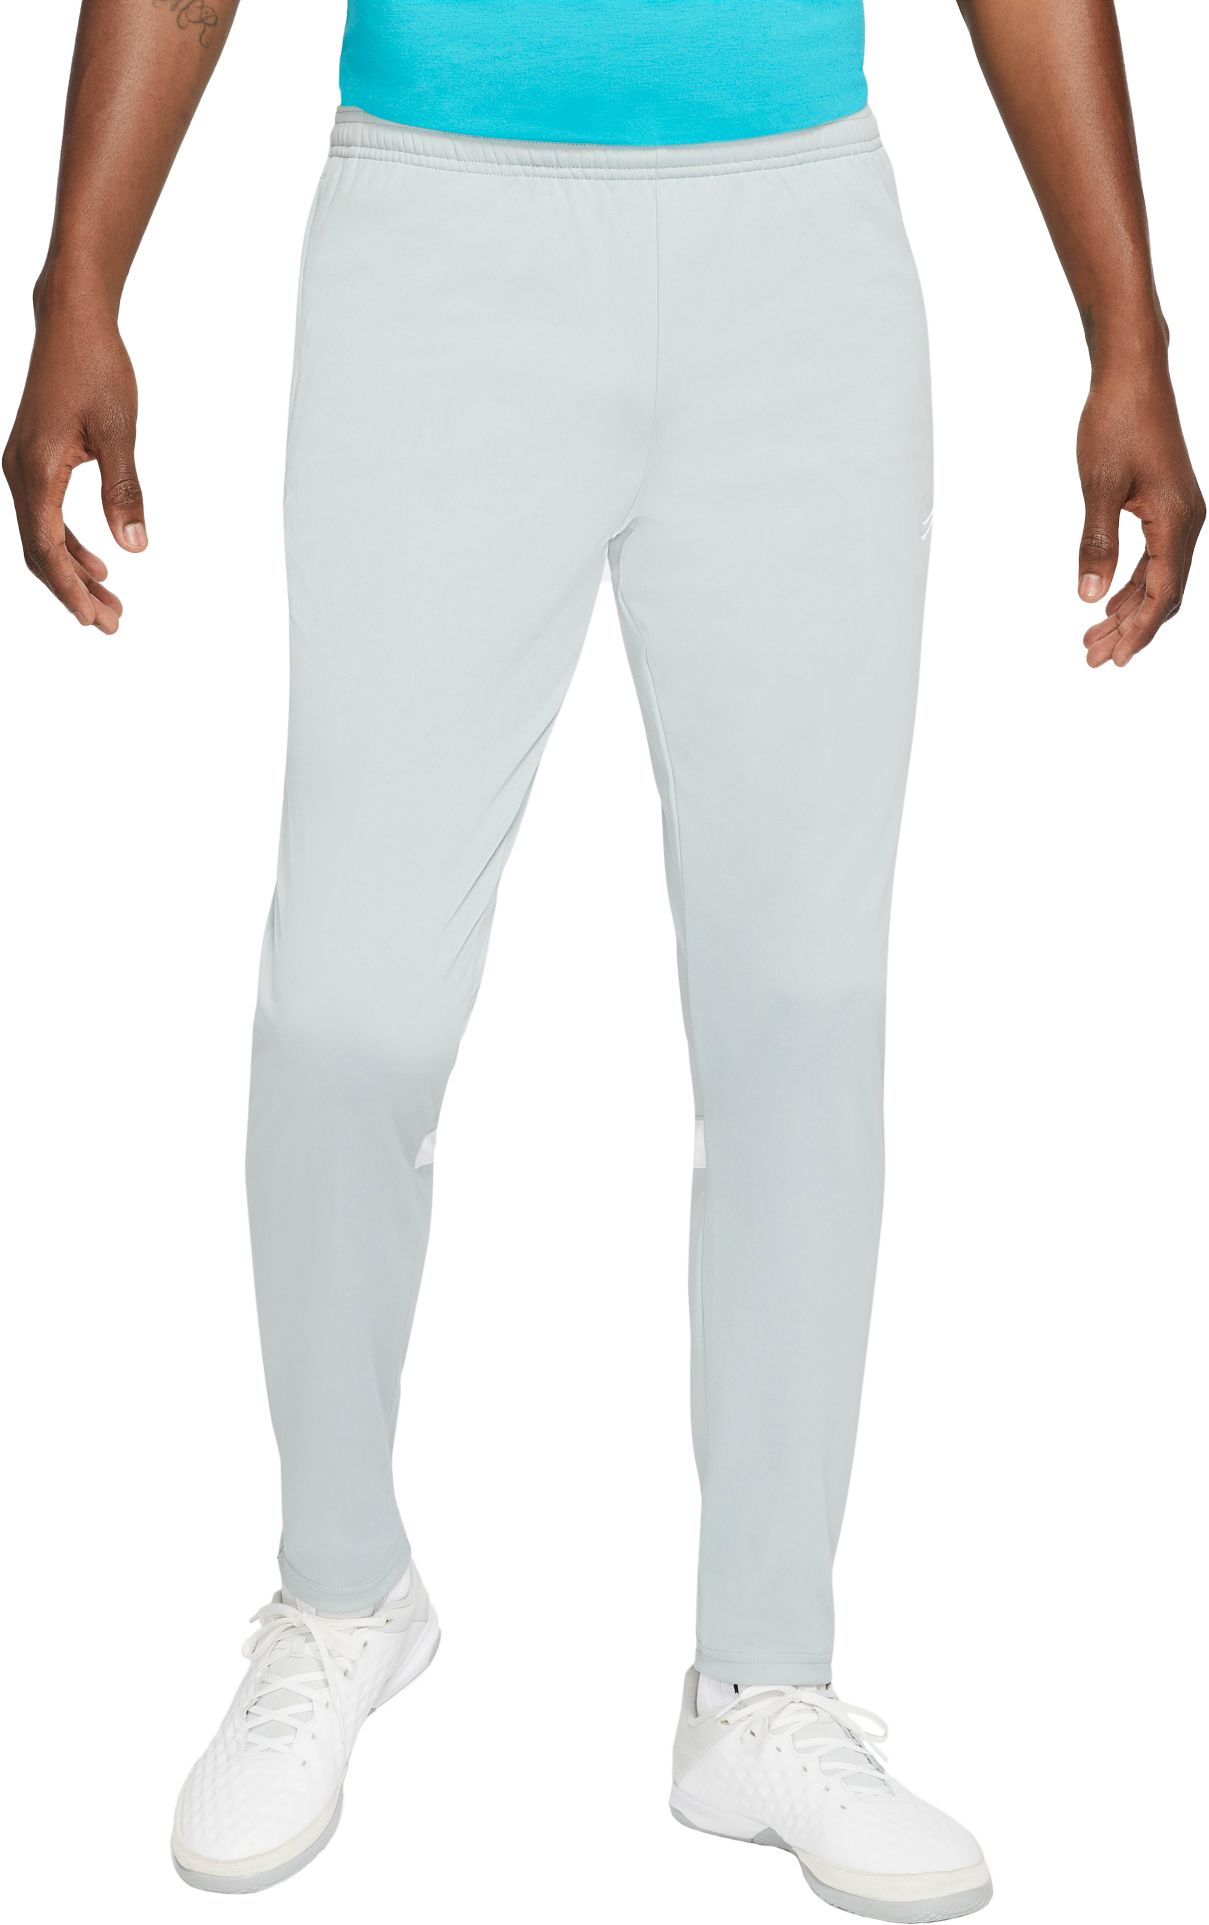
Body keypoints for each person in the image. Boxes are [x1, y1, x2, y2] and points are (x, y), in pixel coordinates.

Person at [5, 1, 1202, 1913]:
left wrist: (1125, 326)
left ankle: (762, 1681)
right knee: (350, 1010)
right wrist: (82, 276)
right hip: (434, 238)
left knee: (801, 1003)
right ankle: (341, 1592)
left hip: (796, 255)